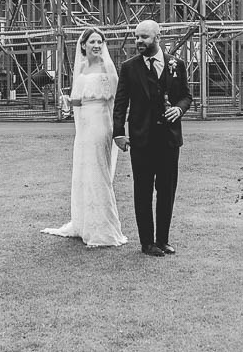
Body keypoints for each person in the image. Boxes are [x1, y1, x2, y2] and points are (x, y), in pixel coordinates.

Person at [41, 27, 127, 249]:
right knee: (84, 172)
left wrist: (118, 128)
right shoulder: (81, 68)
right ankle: (85, 223)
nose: (97, 46)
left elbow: (118, 99)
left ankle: (103, 229)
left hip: (101, 125)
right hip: (84, 129)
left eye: (100, 42)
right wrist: (67, 102)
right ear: (83, 45)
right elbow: (79, 101)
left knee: (98, 173)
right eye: (92, 42)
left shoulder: (107, 67)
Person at [113, 19, 192, 257]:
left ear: (158, 37)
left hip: (169, 139)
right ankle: (147, 243)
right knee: (143, 191)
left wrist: (179, 109)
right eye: (137, 36)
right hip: (141, 140)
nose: (139, 41)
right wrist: (118, 132)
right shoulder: (129, 67)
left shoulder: (177, 64)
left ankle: (163, 240)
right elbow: (120, 103)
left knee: (167, 191)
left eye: (144, 37)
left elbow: (186, 96)